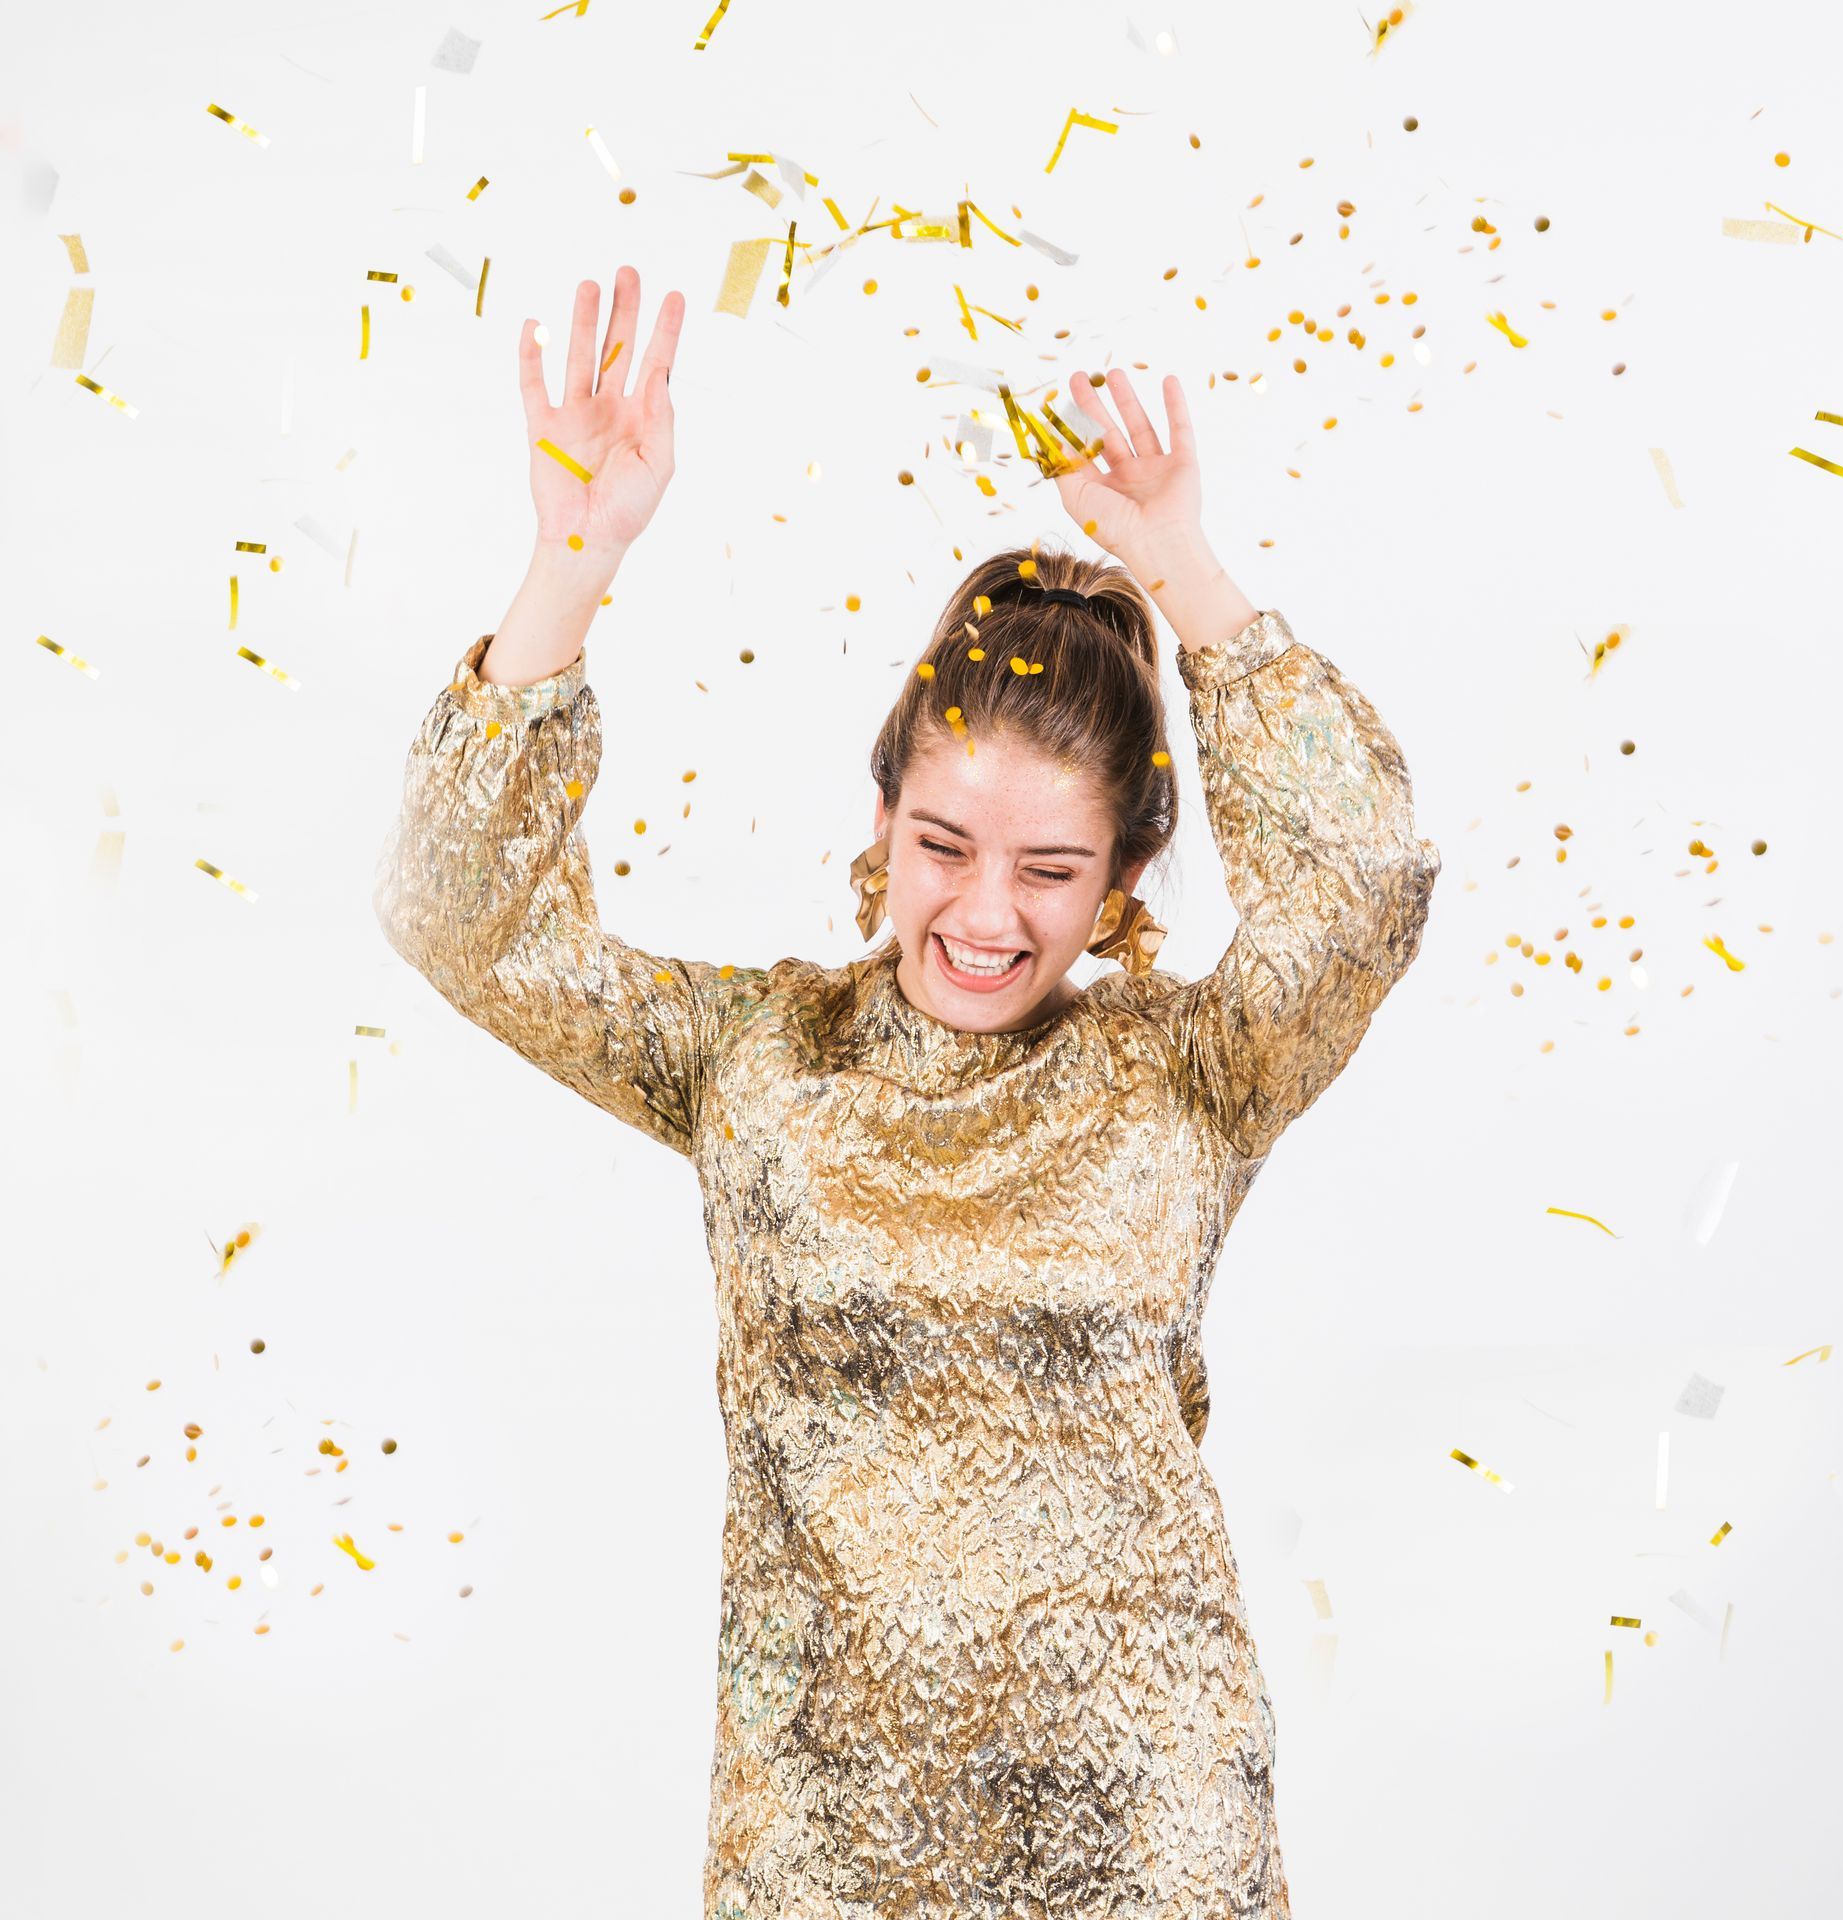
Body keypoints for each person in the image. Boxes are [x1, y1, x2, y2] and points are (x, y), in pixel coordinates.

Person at [372, 265, 1441, 1917]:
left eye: (1051, 870)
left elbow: (1366, 885)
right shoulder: (754, 1057)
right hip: (826, 1856)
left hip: (1147, 1843)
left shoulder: (1192, 1074)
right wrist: (570, 561)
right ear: (881, 820)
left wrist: (1184, 567)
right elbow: (457, 914)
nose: (986, 914)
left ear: (1125, 875)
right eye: (944, 845)